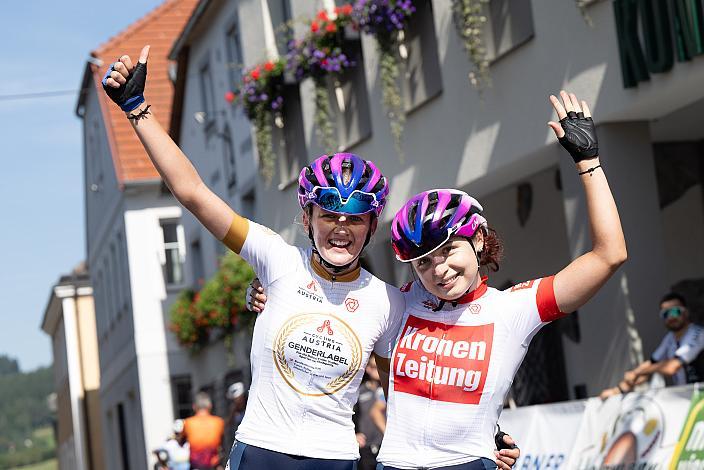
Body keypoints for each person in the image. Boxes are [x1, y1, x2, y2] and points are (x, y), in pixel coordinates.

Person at [102, 45, 520, 470]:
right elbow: (193, 193)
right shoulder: (275, 259)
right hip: (261, 450)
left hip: (334, 459)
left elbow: (415, 393)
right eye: (329, 215)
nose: (341, 227)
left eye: (355, 218)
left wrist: (485, 439)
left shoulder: (390, 302)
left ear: (372, 226)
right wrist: (138, 109)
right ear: (307, 218)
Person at [249, 90, 625, 469]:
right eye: (424, 262)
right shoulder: (402, 302)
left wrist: (588, 162)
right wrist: (264, 295)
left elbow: (609, 255)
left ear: (477, 239)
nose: (439, 270)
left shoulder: (513, 307)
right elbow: (331, 303)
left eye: (448, 251)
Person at [600, 293, 704, 399]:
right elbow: (652, 364)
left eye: (675, 311)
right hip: (690, 399)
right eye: (665, 314)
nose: (671, 317)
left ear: (685, 312)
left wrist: (638, 372)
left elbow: (671, 367)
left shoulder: (698, 334)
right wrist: (618, 389)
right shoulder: (669, 338)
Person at [354, 356, 386, 470]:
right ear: (367, 368)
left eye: (380, 367)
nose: (377, 370)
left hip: (385, 445)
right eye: (374, 367)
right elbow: (352, 413)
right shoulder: (359, 390)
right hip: (365, 445)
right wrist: (355, 433)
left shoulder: (389, 391)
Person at [183, 393, 225, 470]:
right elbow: (222, 446)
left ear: (194, 407)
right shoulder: (219, 422)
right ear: (210, 406)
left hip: (196, 465)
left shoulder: (187, 423)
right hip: (214, 465)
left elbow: (182, 441)